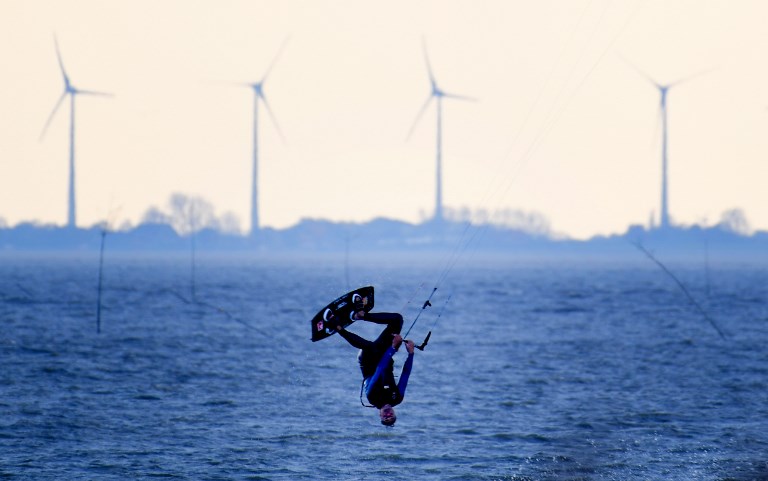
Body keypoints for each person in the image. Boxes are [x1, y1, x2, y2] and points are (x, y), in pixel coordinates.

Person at [326, 295, 415, 426]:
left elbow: (379, 370)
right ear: (395, 413)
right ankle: (361, 315)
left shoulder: (372, 397)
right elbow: (406, 374)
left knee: (370, 347)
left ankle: (336, 326)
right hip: (384, 354)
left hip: (369, 361)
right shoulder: (398, 397)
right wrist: (411, 353)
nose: (388, 414)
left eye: (385, 418)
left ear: (380, 415)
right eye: (391, 416)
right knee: (397, 320)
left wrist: (393, 349)